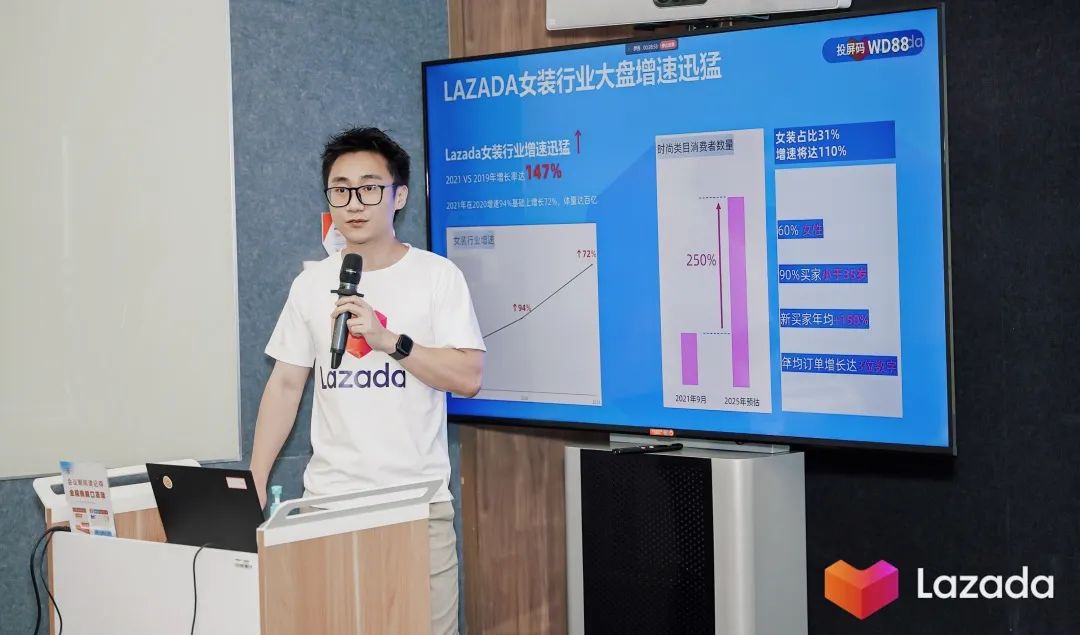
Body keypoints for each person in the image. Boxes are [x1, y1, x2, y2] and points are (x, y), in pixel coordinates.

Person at [250, 126, 485, 634]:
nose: (354, 203)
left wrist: (389, 341)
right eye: (341, 190)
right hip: (327, 505)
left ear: (399, 196)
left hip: (415, 507)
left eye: (370, 188)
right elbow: (286, 385)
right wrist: (255, 478)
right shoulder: (311, 284)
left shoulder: (437, 276)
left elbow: (468, 376)